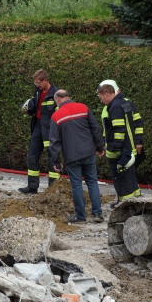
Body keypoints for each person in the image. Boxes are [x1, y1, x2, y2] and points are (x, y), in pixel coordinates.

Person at [49, 90, 105, 224]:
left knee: (76, 185)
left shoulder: (56, 116)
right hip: (89, 152)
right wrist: (100, 147)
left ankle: (80, 216)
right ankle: (97, 213)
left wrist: (55, 161)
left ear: (58, 99)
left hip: (72, 156)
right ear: (68, 96)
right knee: (92, 182)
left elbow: (54, 142)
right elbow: (95, 129)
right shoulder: (83, 108)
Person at [97, 83, 141, 206]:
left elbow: (119, 129)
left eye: (101, 98)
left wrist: (115, 147)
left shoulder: (114, 107)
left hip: (120, 151)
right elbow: (133, 123)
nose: (101, 101)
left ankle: (124, 206)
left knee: (121, 179)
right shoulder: (125, 103)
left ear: (106, 94)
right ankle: (136, 201)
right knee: (130, 177)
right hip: (129, 148)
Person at [18, 69, 59, 194]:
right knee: (32, 155)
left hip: (50, 129)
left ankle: (53, 189)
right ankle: (32, 187)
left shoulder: (56, 94)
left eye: (38, 83)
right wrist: (27, 110)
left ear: (45, 80)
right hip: (38, 126)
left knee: (53, 158)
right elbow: (36, 107)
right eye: (35, 83)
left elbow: (59, 114)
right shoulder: (37, 91)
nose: (37, 85)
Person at [98, 79, 145, 168]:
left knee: (125, 176)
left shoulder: (123, 104)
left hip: (122, 150)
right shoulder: (110, 106)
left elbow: (137, 122)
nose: (101, 100)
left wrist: (138, 141)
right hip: (118, 148)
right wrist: (104, 144)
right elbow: (107, 129)